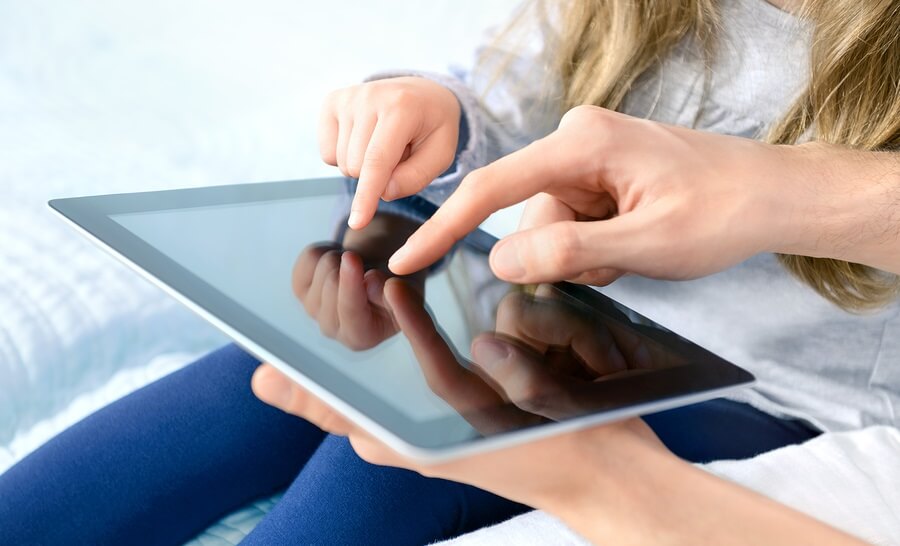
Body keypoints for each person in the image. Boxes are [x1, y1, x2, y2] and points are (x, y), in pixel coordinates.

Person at [1, 0, 897, 543]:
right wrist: (434, 108)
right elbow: (503, 93)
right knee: (276, 370)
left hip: (773, 400)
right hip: (550, 320)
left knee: (402, 454)